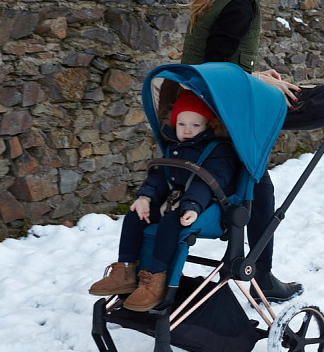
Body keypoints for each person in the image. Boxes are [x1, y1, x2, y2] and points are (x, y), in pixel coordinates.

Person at [180, 0, 324, 302]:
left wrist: (257, 75)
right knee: (259, 188)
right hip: (225, 112)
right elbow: (216, 66)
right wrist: (257, 83)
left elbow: (215, 61)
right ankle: (260, 274)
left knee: (258, 186)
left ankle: (257, 271)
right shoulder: (238, 4)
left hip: (202, 106)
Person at [89, 89, 238, 312]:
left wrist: (192, 206)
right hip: (175, 202)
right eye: (181, 124)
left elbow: (207, 182)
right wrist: (145, 197)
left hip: (209, 207)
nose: (187, 130)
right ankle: (126, 270)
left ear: (208, 125)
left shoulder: (218, 150)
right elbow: (160, 177)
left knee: (171, 222)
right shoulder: (174, 148)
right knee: (135, 216)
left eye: (195, 125)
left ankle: (156, 279)